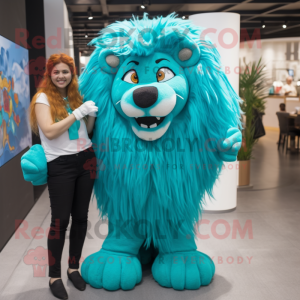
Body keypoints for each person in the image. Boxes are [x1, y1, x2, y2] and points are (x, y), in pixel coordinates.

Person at [29, 53, 98, 299]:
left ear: (72, 74)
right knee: (59, 222)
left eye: (65, 72)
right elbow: (49, 130)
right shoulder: (43, 98)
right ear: (49, 74)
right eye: (56, 72)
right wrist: (79, 112)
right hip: (60, 165)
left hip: (86, 160)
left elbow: (86, 132)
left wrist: (90, 116)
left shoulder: (74, 96)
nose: (61, 76)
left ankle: (73, 268)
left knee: (81, 218)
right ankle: (54, 275)